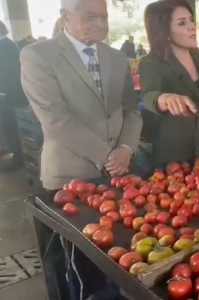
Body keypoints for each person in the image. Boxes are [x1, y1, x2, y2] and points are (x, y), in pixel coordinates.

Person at [21, 0, 142, 189]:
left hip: (120, 171)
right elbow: (55, 119)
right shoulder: (38, 56)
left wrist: (126, 149)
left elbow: (131, 109)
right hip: (70, 177)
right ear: (65, 16)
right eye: (90, 17)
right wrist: (109, 156)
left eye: (104, 17)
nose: (101, 24)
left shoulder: (117, 57)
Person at [138, 0, 199, 166]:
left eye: (191, 20)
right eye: (182, 23)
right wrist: (166, 99)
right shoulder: (151, 62)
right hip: (176, 150)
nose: (192, 26)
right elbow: (148, 96)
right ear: (164, 30)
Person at [0, 21, 27, 171]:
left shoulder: (6, 46)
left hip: (11, 94)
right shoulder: (6, 45)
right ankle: (17, 156)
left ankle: (18, 158)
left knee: (12, 127)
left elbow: (8, 73)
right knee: (10, 126)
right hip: (9, 93)